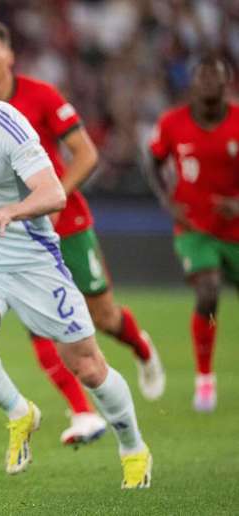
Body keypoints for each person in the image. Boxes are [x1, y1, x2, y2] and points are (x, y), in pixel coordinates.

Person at [0, 36, 151, 488]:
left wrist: (12, 211)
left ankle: (133, 445)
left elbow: (54, 192)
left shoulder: (9, 125)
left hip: (31, 258)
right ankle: (21, 413)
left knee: (89, 366)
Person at [0, 21, 165, 444]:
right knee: (38, 323)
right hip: (15, 229)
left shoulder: (40, 95)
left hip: (66, 222)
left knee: (103, 317)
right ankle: (82, 413)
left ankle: (141, 347)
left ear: (10, 56)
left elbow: (87, 154)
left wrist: (54, 198)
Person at [148, 56, 239, 412]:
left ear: (226, 83)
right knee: (208, 291)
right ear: (192, 84)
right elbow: (153, 160)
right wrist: (167, 201)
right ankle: (205, 379)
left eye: (214, 78)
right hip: (194, 228)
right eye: (201, 78)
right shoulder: (172, 123)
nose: (207, 85)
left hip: (234, 229)